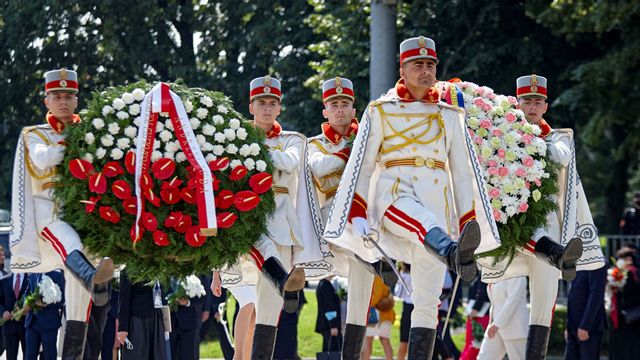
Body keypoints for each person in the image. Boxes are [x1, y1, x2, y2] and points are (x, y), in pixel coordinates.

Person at [323, 35, 501, 358]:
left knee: (428, 304)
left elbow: (461, 175)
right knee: (421, 222)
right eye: (417, 64)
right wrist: (358, 213)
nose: (425, 71)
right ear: (402, 69)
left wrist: (467, 222)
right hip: (395, 196)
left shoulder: (449, 114)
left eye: (430, 64)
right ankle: (451, 252)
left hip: (438, 202)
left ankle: (451, 250)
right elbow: (362, 166)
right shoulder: (381, 111)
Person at [480, 74, 606, 359]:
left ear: (546, 106)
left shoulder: (558, 141)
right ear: (517, 103)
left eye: (538, 101)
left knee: (543, 307)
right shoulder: (501, 137)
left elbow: (561, 160)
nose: (532, 107)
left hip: (550, 230)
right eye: (527, 101)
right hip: (515, 228)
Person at [9, 68, 115, 358]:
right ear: (46, 101)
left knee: (79, 301)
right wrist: (77, 140)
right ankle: (95, 280)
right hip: (49, 215)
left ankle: (74, 350)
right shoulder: (34, 134)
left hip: (84, 215)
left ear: (76, 100)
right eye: (57, 96)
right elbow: (44, 159)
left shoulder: (94, 132)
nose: (63, 102)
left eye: (69, 96)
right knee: (71, 244)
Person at [305, 76, 395, 359]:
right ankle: (377, 260)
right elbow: (320, 168)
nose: (340, 109)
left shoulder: (372, 136)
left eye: (345, 104)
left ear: (354, 110)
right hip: (334, 217)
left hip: (369, 214)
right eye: (334, 104)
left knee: (360, 298)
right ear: (325, 111)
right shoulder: (315, 143)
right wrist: (354, 153)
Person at [241, 75, 322, 359]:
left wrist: (250, 151)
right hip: (248, 218)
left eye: (272, 103)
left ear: (279, 108)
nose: (267, 108)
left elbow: (290, 162)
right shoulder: (235, 135)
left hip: (282, 225)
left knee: (270, 306)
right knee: (264, 284)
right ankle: (281, 279)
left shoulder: (293, 139)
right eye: (261, 103)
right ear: (251, 106)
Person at [116, 269, 167, 360]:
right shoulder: (129, 269)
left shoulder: (159, 266)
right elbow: (124, 299)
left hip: (156, 318)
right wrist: (122, 327)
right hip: (136, 320)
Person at [478, 277, 529, 360]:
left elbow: (512, 301)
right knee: (484, 358)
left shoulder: (518, 273)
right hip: (495, 327)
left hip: (515, 329)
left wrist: (496, 324)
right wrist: (493, 323)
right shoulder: (496, 271)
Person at [564, 266, 607, 360]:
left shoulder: (598, 261)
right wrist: (568, 326)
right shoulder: (579, 262)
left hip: (589, 328)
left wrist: (585, 326)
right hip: (573, 326)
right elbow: (573, 294)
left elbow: (596, 296)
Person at [608, 244, 640, 359]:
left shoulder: (629, 273)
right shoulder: (628, 272)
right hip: (630, 317)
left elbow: (627, 292)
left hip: (627, 317)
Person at [24, 270, 64, 360]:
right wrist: (25, 303)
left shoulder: (57, 275)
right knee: (29, 356)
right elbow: (27, 293)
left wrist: (46, 302)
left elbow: (62, 299)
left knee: (49, 356)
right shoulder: (33, 275)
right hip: (31, 322)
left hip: (49, 323)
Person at [168, 276, 205, 360]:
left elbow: (202, 298)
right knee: (171, 355)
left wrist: (188, 302)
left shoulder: (192, 277)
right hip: (171, 323)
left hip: (188, 323)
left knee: (188, 355)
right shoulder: (165, 275)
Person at [0, 252, 28, 360]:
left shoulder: (30, 280)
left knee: (28, 356)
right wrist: (3, 312)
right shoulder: (4, 281)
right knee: (10, 357)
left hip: (26, 327)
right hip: (9, 327)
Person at [200, 274, 234, 360]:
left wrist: (218, 308)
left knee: (224, 335)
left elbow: (222, 287)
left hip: (218, 305)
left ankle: (232, 357)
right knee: (197, 335)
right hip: (206, 306)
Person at [362, 276, 395, 360]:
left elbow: (376, 295)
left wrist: (365, 302)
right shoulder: (383, 276)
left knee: (369, 341)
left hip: (377, 315)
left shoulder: (376, 277)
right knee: (384, 340)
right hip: (384, 315)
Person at [460, 276, 490, 360]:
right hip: (481, 315)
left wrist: (475, 309)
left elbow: (482, 293)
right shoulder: (480, 274)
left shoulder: (484, 274)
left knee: (475, 344)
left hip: (479, 316)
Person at [315, 275, 342, 352]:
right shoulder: (326, 285)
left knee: (327, 350)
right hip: (329, 325)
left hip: (326, 323)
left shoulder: (322, 283)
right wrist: (333, 325)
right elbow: (329, 306)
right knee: (333, 350)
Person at [394, 263, 413, 360]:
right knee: (414, 340)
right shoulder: (421, 271)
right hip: (419, 307)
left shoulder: (404, 273)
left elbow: (399, 293)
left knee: (404, 340)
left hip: (408, 307)